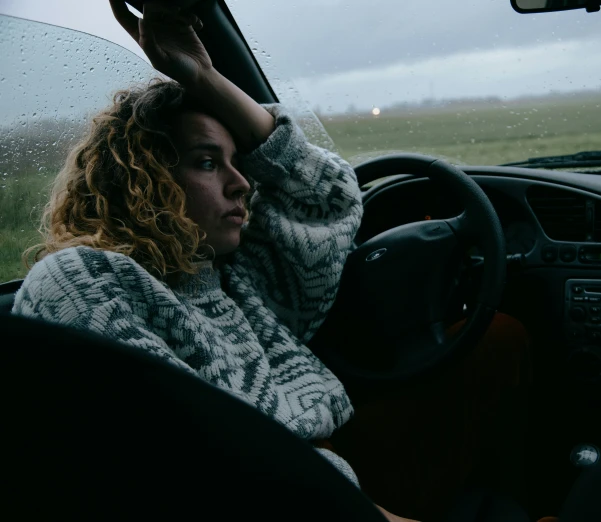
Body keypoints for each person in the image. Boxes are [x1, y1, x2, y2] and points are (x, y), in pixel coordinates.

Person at [11, 2, 417, 521]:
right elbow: (190, 465)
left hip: (334, 485)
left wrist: (205, 77)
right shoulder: (84, 282)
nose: (242, 181)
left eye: (237, 160)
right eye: (207, 162)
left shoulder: (235, 279)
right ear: (144, 178)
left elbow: (329, 196)